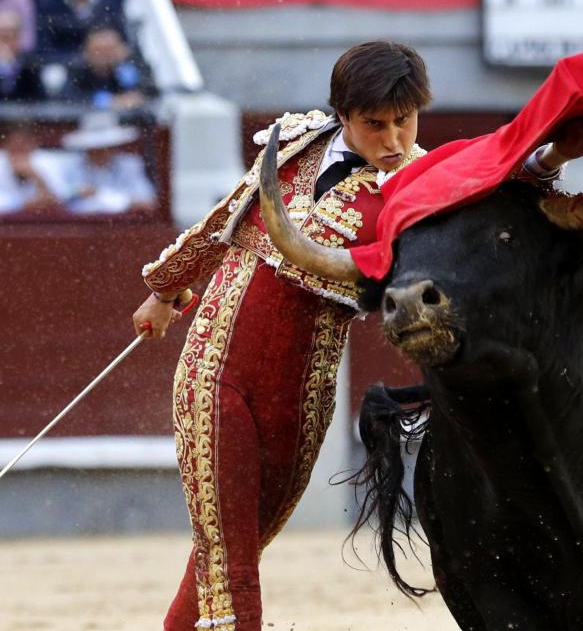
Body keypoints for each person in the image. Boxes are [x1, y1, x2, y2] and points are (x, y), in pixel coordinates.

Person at [132, 41, 432, 631]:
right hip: (215, 360)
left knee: (227, 554)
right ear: (343, 114)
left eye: (406, 121)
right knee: (229, 560)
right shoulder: (296, 140)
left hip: (300, 400)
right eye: (375, 124)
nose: (393, 141)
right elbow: (226, 218)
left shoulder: (421, 187)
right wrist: (166, 290)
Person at [61, 110, 156, 214]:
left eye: (105, 147)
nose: (100, 152)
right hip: (80, 227)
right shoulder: (71, 166)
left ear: (114, 147)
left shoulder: (129, 165)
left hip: (123, 227)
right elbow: (59, 201)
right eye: (95, 148)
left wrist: (100, 194)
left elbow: (148, 203)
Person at [64, 25, 155, 109]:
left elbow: (151, 92)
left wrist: (136, 97)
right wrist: (104, 101)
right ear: (87, 53)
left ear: (122, 50)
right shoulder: (76, 71)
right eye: (98, 51)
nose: (105, 57)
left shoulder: (132, 68)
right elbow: (65, 99)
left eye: (110, 50)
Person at [0, 124, 66, 214]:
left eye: (23, 145)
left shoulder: (49, 161)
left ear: (34, 144)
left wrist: (36, 176)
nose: (19, 150)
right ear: (4, 145)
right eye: (14, 145)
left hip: (43, 220)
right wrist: (21, 204)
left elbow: (62, 198)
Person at [0, 9, 44, 100]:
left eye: (12, 34)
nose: (7, 41)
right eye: (3, 35)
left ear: (20, 37)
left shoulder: (31, 63)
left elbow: (38, 96)